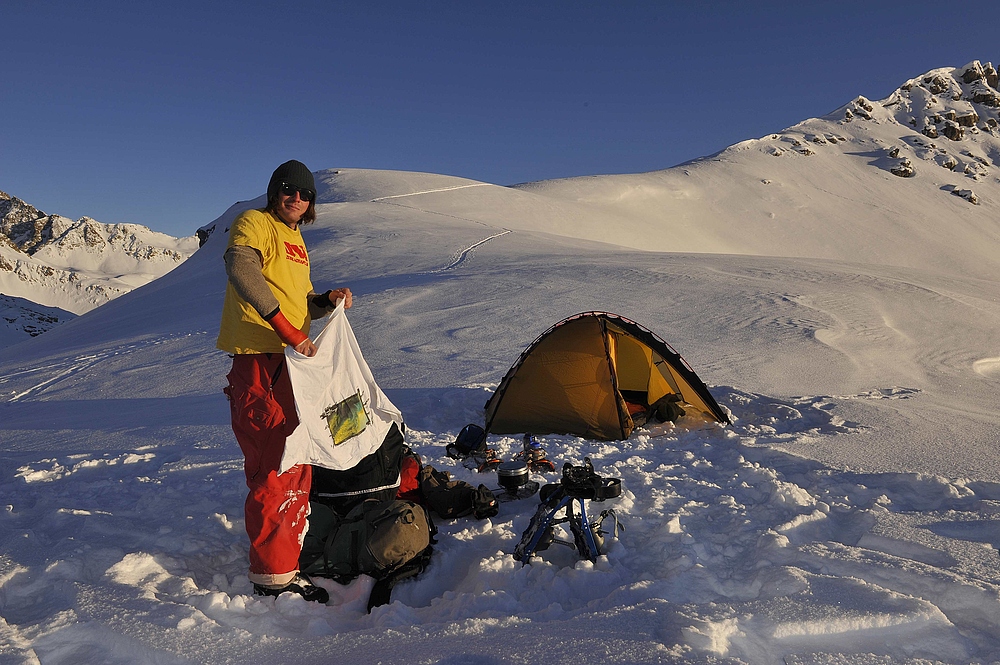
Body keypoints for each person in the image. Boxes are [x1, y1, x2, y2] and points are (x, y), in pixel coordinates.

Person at [217, 159, 352, 603]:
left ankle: (285, 557)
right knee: (274, 463)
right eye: (288, 190)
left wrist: (322, 302)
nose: (296, 198)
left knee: (297, 457)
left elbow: (298, 300)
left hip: (290, 364)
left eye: (305, 193)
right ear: (275, 191)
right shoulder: (254, 222)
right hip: (260, 361)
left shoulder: (294, 239)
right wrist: (287, 329)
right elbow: (242, 269)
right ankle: (273, 579)